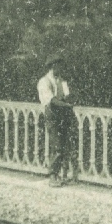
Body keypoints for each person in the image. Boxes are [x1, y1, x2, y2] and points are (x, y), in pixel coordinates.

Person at [37, 57, 78, 186]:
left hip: (62, 116)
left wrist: (70, 97)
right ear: (52, 66)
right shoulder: (44, 82)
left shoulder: (60, 80)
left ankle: (63, 175)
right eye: (59, 66)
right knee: (57, 146)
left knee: (65, 145)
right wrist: (66, 105)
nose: (61, 69)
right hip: (52, 116)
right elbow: (51, 100)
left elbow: (67, 96)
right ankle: (53, 175)